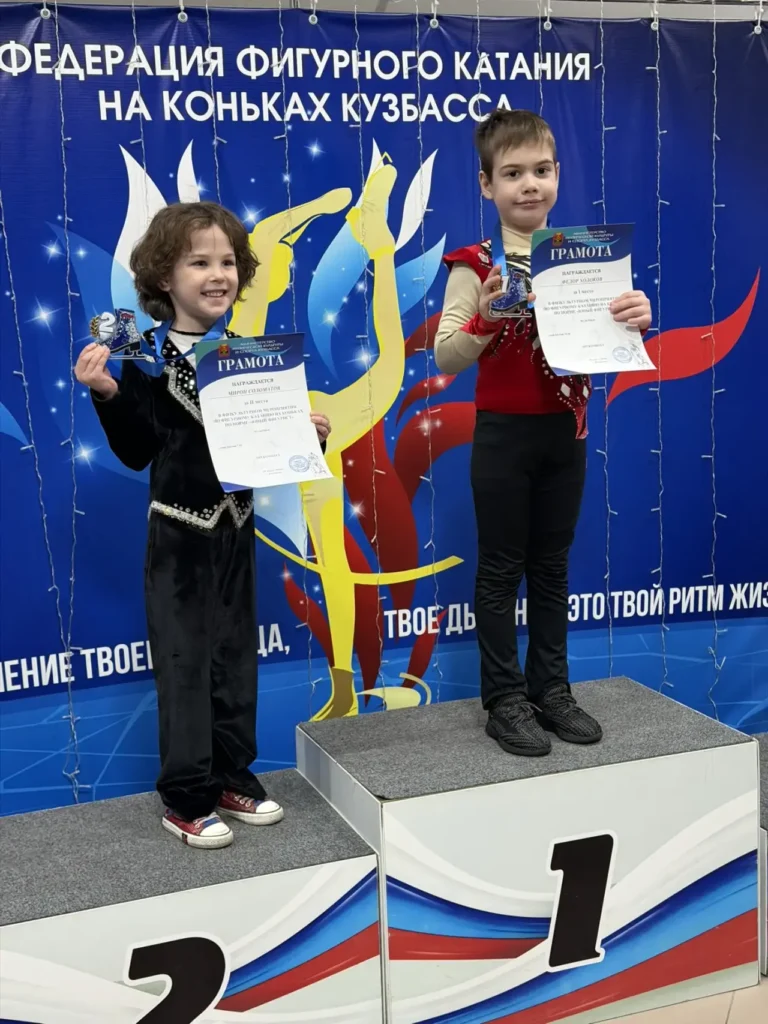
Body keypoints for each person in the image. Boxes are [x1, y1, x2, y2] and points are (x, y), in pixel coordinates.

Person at [75, 202, 332, 847]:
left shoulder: (254, 358)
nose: (217, 275)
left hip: (236, 530)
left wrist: (306, 434)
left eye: (227, 262)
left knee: (234, 659)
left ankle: (230, 776)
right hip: (179, 537)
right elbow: (137, 449)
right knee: (185, 665)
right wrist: (108, 393)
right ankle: (186, 797)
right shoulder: (146, 360)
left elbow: (266, 447)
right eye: (199, 263)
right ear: (164, 277)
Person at [435, 109, 651, 757]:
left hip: (566, 432)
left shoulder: (589, 257)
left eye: (541, 170)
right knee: (502, 569)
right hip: (503, 436)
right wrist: (487, 319)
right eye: (512, 174)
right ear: (486, 185)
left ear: (558, 175)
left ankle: (551, 689)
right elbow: (445, 355)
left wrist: (637, 318)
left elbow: (610, 342)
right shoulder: (474, 263)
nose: (529, 184)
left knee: (552, 567)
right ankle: (505, 700)